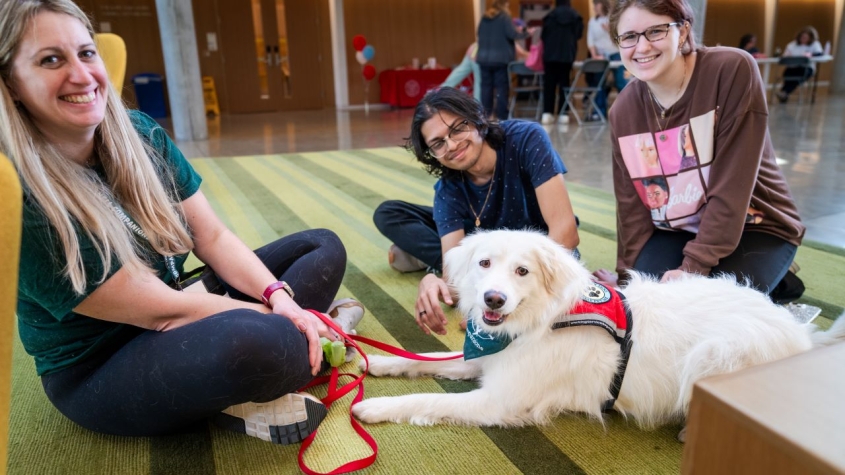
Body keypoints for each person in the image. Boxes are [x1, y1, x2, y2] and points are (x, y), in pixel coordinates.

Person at [2, 0, 365, 445]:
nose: (81, 75)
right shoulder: (17, 193)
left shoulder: (138, 131)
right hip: (100, 365)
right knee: (261, 341)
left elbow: (210, 236)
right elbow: (162, 312)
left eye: (86, 52)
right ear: (11, 83)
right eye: (51, 59)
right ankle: (312, 339)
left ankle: (277, 357)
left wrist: (280, 300)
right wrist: (284, 318)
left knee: (321, 247)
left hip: (179, 300)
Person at [593, 0, 806, 304]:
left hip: (755, 225)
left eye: (655, 31)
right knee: (642, 303)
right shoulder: (623, 111)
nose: (641, 47)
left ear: (682, 32)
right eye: (629, 37)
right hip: (676, 227)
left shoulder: (731, 71)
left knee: (703, 308)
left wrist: (693, 267)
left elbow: (732, 187)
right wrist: (628, 278)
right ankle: (767, 279)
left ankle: (773, 273)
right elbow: (631, 207)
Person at [372, 87, 580, 334]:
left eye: (457, 129)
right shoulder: (448, 189)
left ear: (478, 119)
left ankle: (427, 258)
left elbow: (566, 235)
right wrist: (433, 281)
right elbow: (454, 278)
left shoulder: (526, 138)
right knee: (388, 212)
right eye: (438, 143)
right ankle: (455, 262)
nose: (451, 145)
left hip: (531, 253)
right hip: (480, 241)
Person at [476, 0, 533, 120]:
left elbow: (478, 34)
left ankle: (486, 116)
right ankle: (502, 117)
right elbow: (512, 34)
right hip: (500, 59)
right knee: (502, 88)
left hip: (483, 59)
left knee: (486, 88)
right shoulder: (504, 17)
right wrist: (526, 33)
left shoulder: (484, 17)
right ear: (504, 4)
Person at [540, 0, 583, 125]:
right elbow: (578, 35)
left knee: (549, 85)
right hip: (567, 55)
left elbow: (544, 36)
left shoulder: (550, 16)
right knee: (565, 84)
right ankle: (563, 114)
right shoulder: (576, 16)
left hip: (550, 56)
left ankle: (547, 114)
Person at [586, 0, 629, 119]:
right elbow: (590, 40)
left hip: (615, 53)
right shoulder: (592, 22)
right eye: (593, 5)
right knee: (600, 84)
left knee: (621, 82)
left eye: (596, 4)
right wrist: (594, 55)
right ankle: (599, 113)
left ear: (603, 5)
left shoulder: (612, 18)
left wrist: (609, 30)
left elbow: (621, 36)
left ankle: (627, 111)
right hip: (601, 56)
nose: (595, 7)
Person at [776, 26, 823, 103]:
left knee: (799, 76)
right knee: (788, 74)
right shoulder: (792, 45)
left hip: (806, 68)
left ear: (810, 38)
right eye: (802, 37)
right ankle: (784, 93)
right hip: (792, 67)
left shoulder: (815, 44)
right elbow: (785, 55)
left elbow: (819, 53)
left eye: (806, 37)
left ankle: (784, 92)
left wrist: (810, 54)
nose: (803, 39)